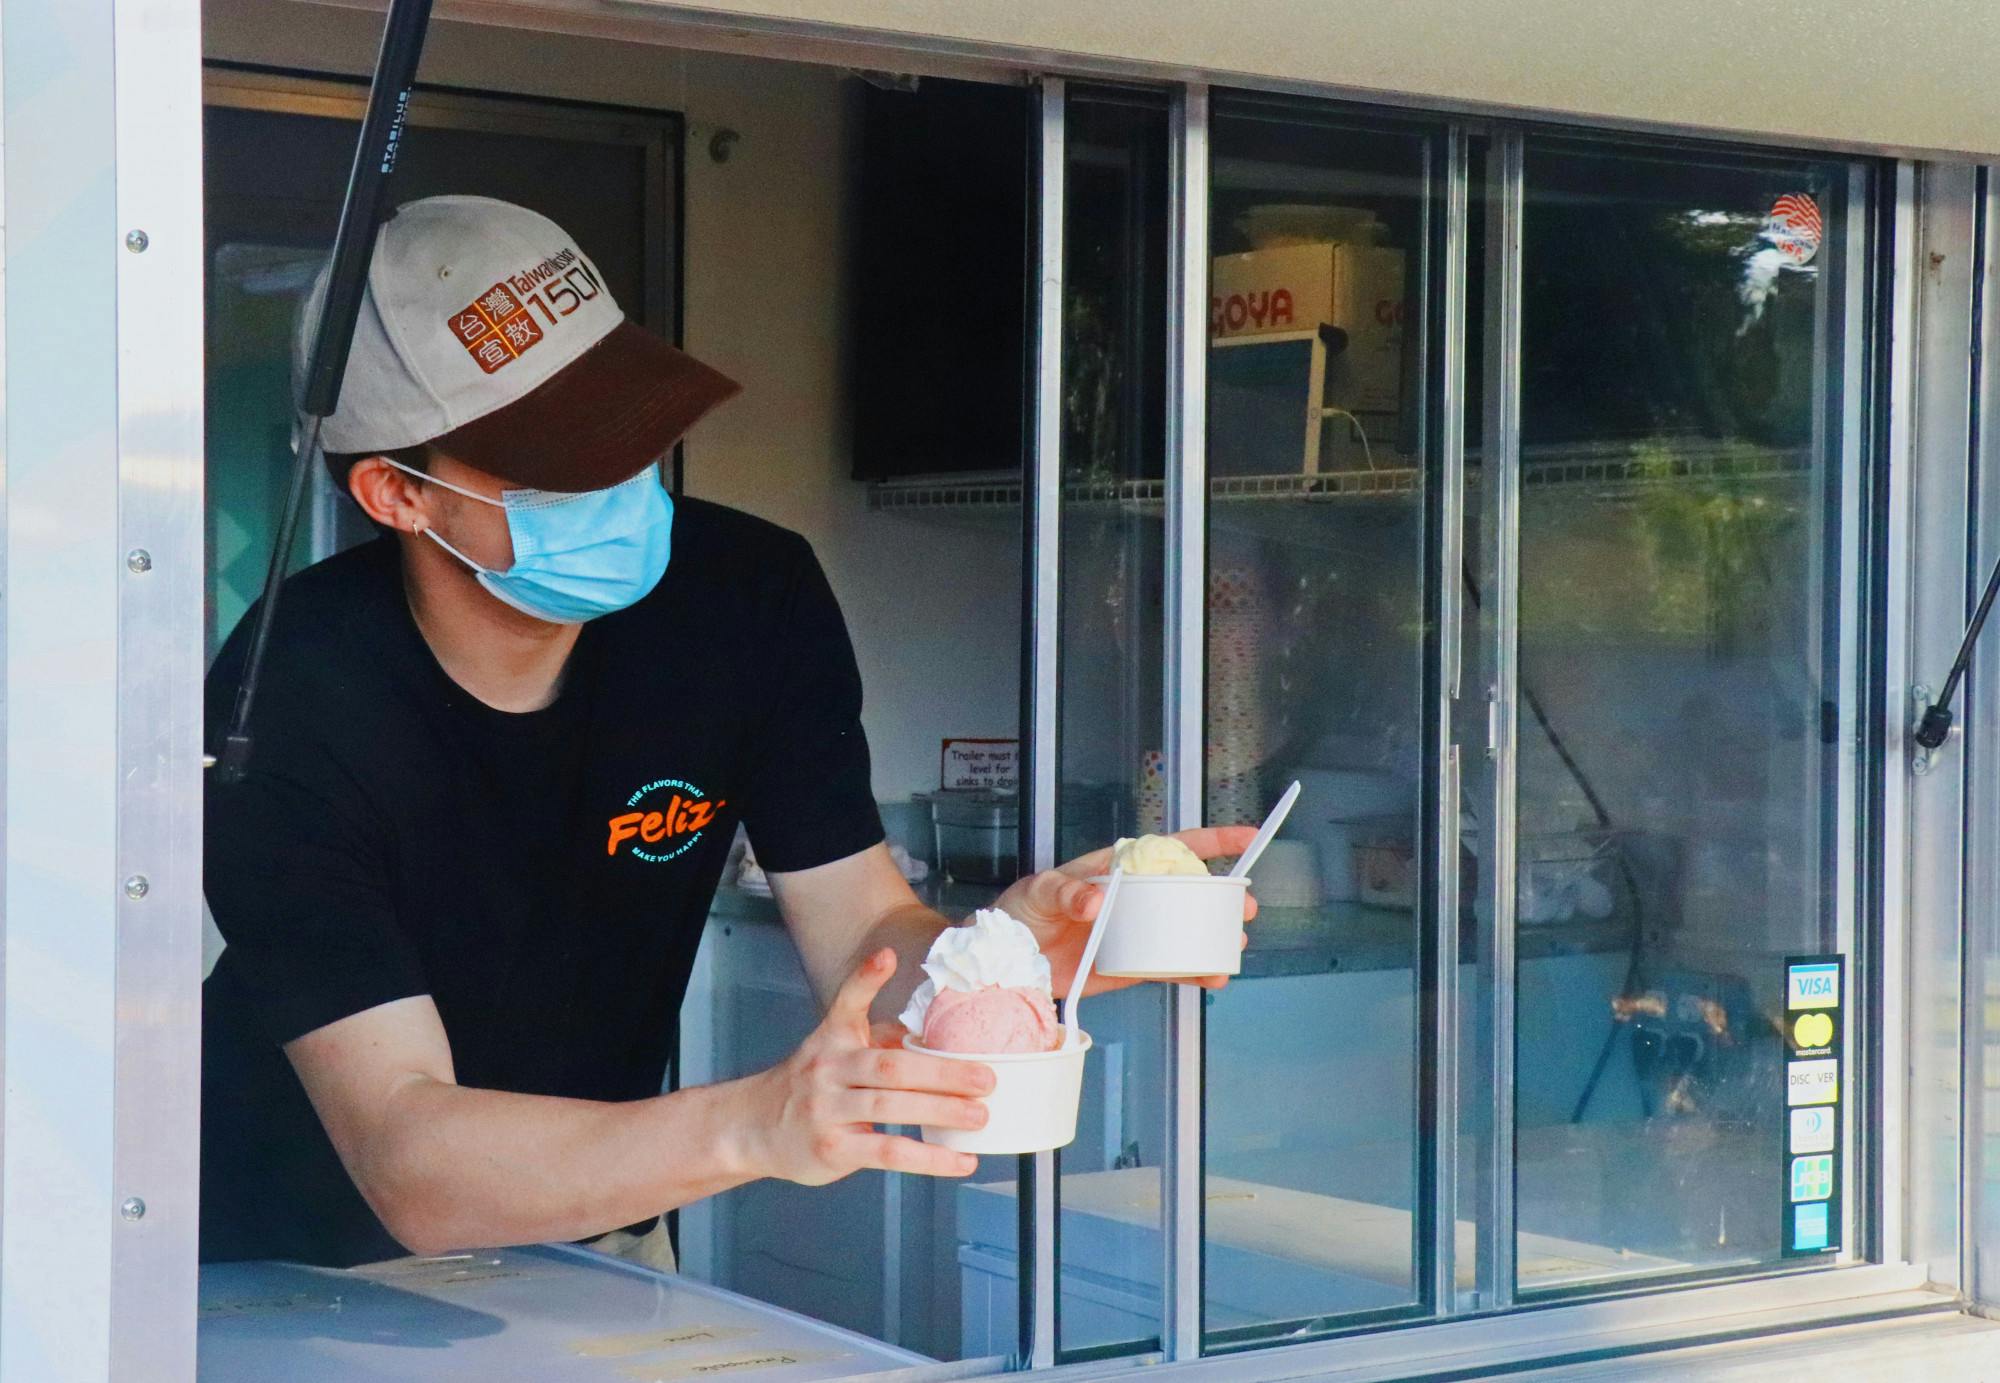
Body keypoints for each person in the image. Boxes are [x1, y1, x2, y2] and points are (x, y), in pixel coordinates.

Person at [200, 195, 1253, 1271]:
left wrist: (1001, 954)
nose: (620, 485)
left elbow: (858, 934)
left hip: (591, 1231)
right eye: (563, 464)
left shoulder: (743, 600)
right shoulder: (287, 696)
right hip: (284, 1262)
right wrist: (757, 1123)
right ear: (395, 493)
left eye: (632, 435)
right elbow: (405, 1155)